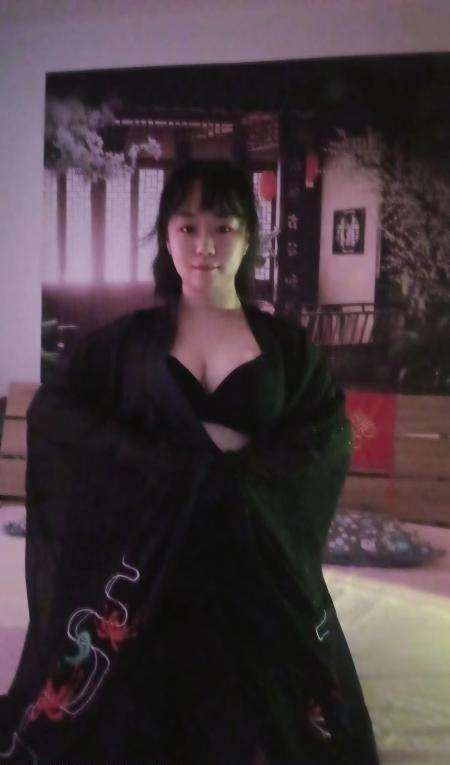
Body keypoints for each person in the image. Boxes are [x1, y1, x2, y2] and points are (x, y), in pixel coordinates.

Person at [0, 159, 380, 764]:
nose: (205, 246)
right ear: (166, 237)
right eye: (188, 227)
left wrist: (245, 477)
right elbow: (56, 414)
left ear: (249, 238)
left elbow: (328, 432)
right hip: (152, 565)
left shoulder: (285, 347)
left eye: (224, 227)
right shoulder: (126, 342)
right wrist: (153, 463)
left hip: (249, 561)